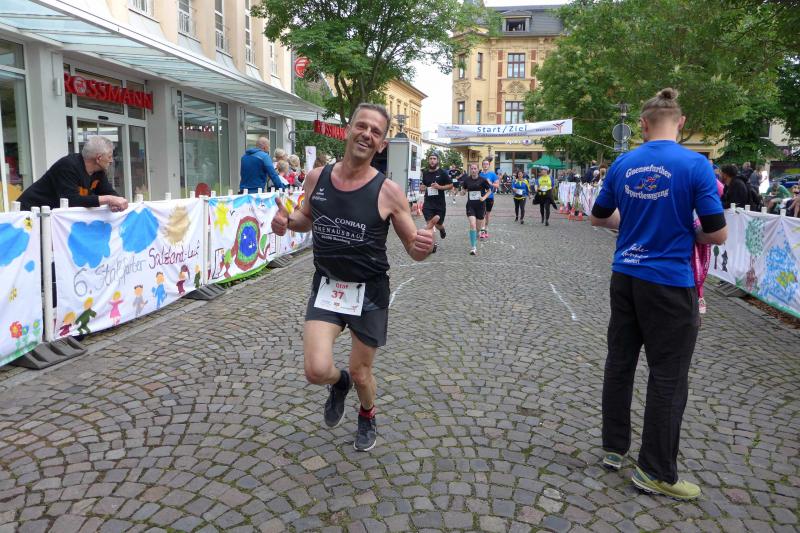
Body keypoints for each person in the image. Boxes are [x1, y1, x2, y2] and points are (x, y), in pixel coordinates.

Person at [270, 103, 437, 452]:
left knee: (363, 373)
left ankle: (367, 413)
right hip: (328, 285)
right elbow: (305, 218)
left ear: (382, 144)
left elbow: (413, 248)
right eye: (362, 126)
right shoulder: (316, 178)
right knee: (316, 370)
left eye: (376, 132)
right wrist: (287, 223)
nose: (367, 134)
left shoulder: (388, 191)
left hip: (369, 292)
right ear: (348, 130)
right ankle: (339, 382)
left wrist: (424, 245)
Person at [590, 88, 727, 500]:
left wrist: (633, 224)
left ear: (643, 125)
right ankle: (655, 471)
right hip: (669, 281)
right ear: (680, 123)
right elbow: (717, 232)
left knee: (620, 361)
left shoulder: (623, 163)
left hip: (625, 276)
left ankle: (614, 448)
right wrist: (687, 232)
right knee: (668, 374)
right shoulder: (696, 165)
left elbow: (599, 217)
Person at [19, 136, 128, 212]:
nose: (111, 161)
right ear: (99, 158)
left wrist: (116, 202)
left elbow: (108, 191)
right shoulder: (68, 166)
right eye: (109, 156)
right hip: (30, 212)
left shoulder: (98, 171)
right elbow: (71, 200)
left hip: (50, 216)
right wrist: (109, 199)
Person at [419, 153, 452, 252]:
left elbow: (450, 185)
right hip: (428, 203)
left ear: (437, 160)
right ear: (428, 160)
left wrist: (439, 187)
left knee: (438, 224)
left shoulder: (442, 173)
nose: (432, 160)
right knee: (430, 223)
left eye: (434, 159)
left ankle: (441, 229)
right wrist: (422, 187)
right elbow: (424, 185)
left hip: (440, 204)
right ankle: (433, 243)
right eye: (430, 158)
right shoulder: (425, 173)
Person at [461, 163, 491, 255]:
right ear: (470, 170)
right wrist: (462, 192)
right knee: (472, 224)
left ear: (478, 170)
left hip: (480, 206)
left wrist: (484, 197)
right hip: (470, 205)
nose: (473, 170)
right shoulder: (467, 180)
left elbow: (489, 191)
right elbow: (463, 190)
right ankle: (473, 247)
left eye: (475, 168)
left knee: (478, 228)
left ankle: (478, 232)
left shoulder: (483, 180)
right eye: (472, 169)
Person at [478, 159, 499, 239]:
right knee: (482, 214)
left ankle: (486, 228)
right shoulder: (479, 175)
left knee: (487, 215)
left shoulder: (493, 174)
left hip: (490, 197)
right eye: (484, 164)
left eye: (487, 164)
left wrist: (491, 183)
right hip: (481, 197)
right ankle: (482, 230)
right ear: (482, 165)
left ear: (489, 165)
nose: (485, 165)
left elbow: (497, 185)